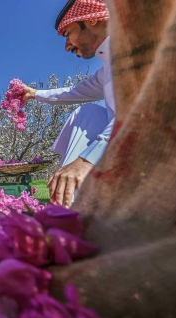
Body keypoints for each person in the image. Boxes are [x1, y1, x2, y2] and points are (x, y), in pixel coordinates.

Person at [22, 0, 112, 208]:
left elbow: (137, 115)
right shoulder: (109, 67)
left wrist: (86, 161)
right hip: (121, 146)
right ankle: (66, 209)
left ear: (91, 19)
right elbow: (74, 92)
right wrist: (34, 94)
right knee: (87, 113)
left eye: (68, 34)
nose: (67, 46)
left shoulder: (137, 51)